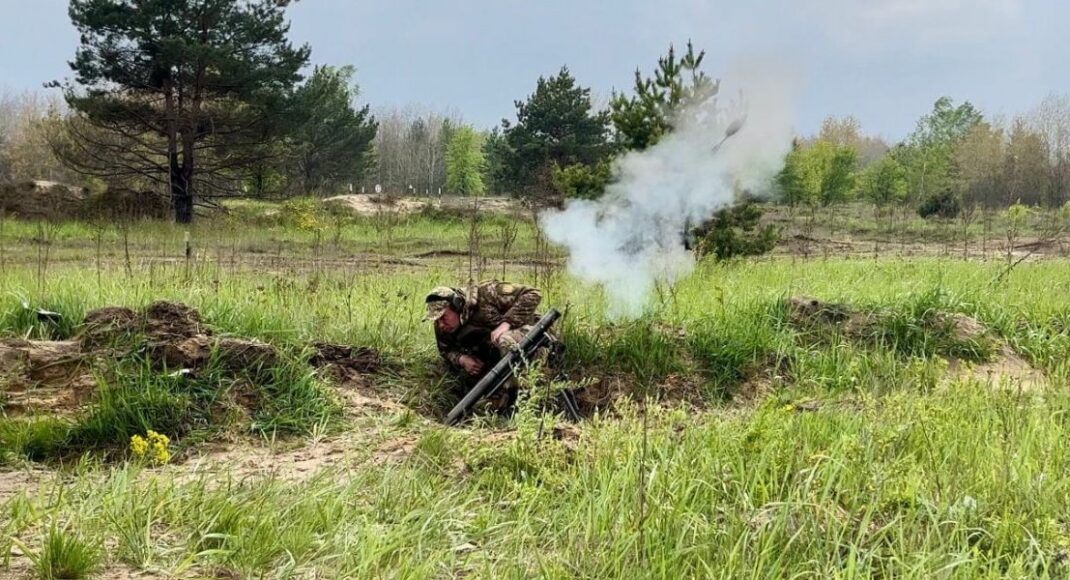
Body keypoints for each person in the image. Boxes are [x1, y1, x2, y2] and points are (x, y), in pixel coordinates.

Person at [425, 280, 555, 409]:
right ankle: (504, 398)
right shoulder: (443, 326)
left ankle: (524, 391)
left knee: (504, 340)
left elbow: (533, 294)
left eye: (443, 317)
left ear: (457, 306)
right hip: (496, 358)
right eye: (437, 320)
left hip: (532, 336)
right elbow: (445, 349)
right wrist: (461, 359)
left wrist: (507, 323)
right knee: (479, 406)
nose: (441, 324)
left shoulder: (487, 293)